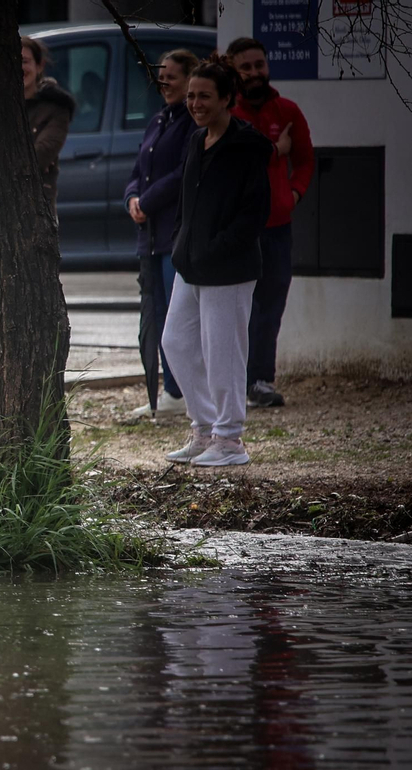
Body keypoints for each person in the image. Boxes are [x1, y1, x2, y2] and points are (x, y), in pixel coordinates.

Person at [0, 36, 74, 413]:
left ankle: (22, 386)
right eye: (11, 59)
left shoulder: (55, 109)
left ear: (38, 66)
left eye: (25, 60)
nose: (18, 67)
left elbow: (39, 157)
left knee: (25, 304)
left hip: (28, 219)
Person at [161, 56, 272, 467]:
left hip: (229, 269)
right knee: (175, 342)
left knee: (223, 352)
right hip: (191, 265)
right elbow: (186, 204)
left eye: (205, 96)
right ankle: (205, 428)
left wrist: (214, 249)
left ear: (227, 98)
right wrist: (181, 244)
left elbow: (254, 214)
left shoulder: (246, 147)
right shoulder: (196, 140)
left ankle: (229, 440)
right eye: (191, 96)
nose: (195, 103)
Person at [229, 36, 314, 408]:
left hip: (278, 225)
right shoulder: (227, 114)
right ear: (234, 72)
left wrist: (294, 193)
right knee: (242, 307)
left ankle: (261, 380)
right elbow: (235, 162)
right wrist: (274, 152)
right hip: (241, 228)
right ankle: (238, 380)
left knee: (272, 302)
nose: (253, 73)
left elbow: (306, 160)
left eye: (258, 65)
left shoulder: (288, 111)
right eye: (245, 67)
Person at [123, 48, 200, 419]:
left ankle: (185, 389)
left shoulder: (191, 123)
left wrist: (148, 200)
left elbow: (182, 173)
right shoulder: (158, 120)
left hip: (174, 234)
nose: (164, 82)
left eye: (172, 76)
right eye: (161, 76)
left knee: (177, 317)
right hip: (150, 237)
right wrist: (132, 198)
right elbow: (138, 172)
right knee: (154, 316)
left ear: (189, 79)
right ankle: (169, 391)